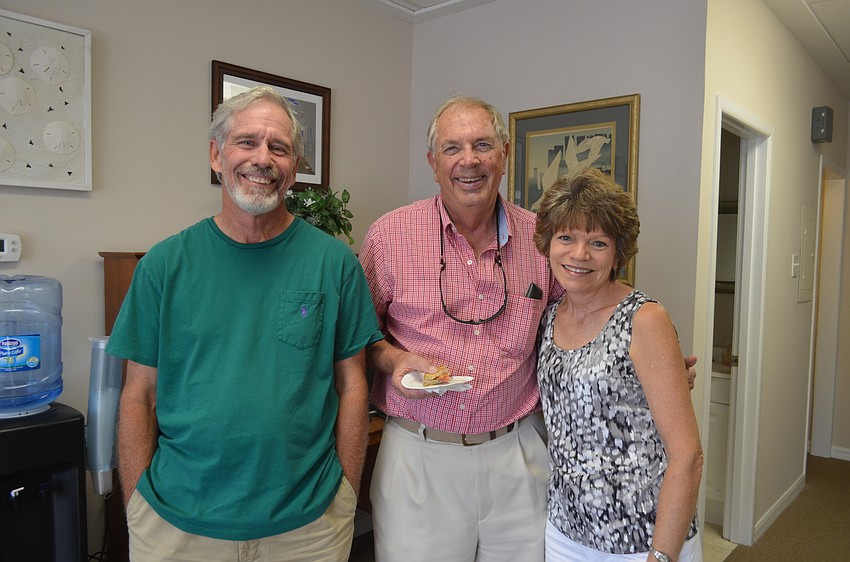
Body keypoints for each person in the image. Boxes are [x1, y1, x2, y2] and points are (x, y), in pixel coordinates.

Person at [359, 95, 697, 562]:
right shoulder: (388, 236)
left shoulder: (543, 239)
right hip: (419, 455)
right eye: (453, 148)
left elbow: (582, 322)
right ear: (433, 162)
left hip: (519, 454)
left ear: (503, 154)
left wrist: (647, 373)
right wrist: (394, 360)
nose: (469, 160)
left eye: (483, 145)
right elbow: (361, 339)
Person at [107, 86, 383, 562]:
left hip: (309, 525)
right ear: (217, 155)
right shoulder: (164, 265)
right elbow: (139, 394)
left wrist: (346, 494)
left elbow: (352, 385)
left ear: (294, 167)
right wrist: (137, 505)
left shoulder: (334, 264)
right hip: (177, 524)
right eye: (247, 142)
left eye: (279, 148)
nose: (263, 158)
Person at [533, 168, 703, 562]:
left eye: (597, 242)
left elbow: (687, 455)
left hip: (642, 538)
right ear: (548, 244)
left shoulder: (644, 319)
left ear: (617, 254)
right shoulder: (550, 315)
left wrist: (661, 555)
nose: (579, 255)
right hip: (567, 532)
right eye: (566, 238)